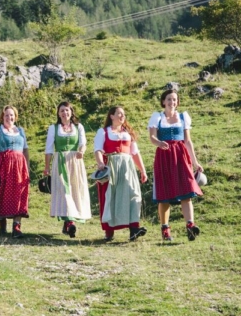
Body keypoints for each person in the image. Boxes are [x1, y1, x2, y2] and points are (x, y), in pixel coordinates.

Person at [148, 90, 204, 241]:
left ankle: (190, 226)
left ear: (177, 102)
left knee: (187, 191)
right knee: (164, 195)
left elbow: (187, 141)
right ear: (163, 102)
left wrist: (195, 161)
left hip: (181, 156)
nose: (172, 102)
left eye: (174, 99)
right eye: (169, 99)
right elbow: (152, 137)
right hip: (164, 157)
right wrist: (159, 142)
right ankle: (165, 229)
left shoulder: (183, 117)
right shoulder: (157, 117)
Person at [94, 106, 148, 242]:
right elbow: (98, 150)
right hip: (111, 165)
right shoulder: (103, 132)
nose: (122, 116)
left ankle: (134, 229)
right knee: (111, 196)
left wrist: (142, 170)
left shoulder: (128, 133)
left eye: (123, 114)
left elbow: (135, 153)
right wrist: (100, 163)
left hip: (127, 165)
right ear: (111, 116)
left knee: (133, 194)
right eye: (119, 114)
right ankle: (109, 231)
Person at [43, 102, 91, 238]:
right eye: (62, 111)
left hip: (75, 161)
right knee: (64, 190)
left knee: (74, 190)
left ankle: (68, 223)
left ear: (71, 112)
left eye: (67, 110)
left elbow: (83, 143)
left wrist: (81, 151)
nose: (65, 113)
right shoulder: (54, 128)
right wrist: (46, 167)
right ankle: (70, 222)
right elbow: (48, 148)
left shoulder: (78, 127)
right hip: (60, 161)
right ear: (58, 114)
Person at [0, 105, 30, 238]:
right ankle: (2, 223)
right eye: (6, 115)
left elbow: (26, 150)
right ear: (2, 117)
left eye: (11, 115)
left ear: (15, 117)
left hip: (19, 166)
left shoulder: (20, 130)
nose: (9, 118)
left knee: (19, 194)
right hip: (3, 165)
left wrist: (27, 167)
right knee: (2, 193)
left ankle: (16, 226)